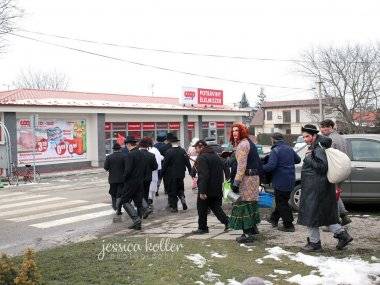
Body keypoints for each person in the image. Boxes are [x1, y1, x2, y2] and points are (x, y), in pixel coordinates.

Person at [298, 124, 353, 251]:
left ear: (314, 136)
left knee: (311, 215)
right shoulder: (317, 146)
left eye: (307, 136)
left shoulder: (318, 149)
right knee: (323, 214)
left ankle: (314, 243)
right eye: (304, 136)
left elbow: (322, 167)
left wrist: (307, 159)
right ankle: (342, 235)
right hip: (318, 187)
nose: (305, 139)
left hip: (316, 188)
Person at [228, 123, 263, 244]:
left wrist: (236, 182)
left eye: (237, 130)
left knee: (244, 205)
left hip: (246, 179)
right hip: (253, 177)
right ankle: (253, 229)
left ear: (242, 131)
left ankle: (247, 235)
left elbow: (241, 167)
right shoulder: (249, 142)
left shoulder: (243, 144)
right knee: (251, 204)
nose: (234, 133)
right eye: (233, 131)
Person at [263, 133, 301, 232]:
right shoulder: (289, 148)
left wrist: (261, 168)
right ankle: (273, 219)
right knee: (282, 201)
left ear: (273, 140)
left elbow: (271, 166)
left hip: (280, 181)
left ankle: (288, 225)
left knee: (282, 203)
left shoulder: (275, 151)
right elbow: (298, 160)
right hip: (290, 180)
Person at [191, 140, 229, 234]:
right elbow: (225, 168)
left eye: (196, 148)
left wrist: (202, 191)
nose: (195, 150)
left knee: (201, 208)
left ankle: (202, 228)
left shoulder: (202, 157)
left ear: (201, 147)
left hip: (206, 188)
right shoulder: (215, 156)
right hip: (216, 187)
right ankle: (228, 222)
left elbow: (204, 175)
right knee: (215, 207)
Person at [319, 119, 351, 226]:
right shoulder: (341, 137)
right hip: (342, 169)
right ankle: (344, 215)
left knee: (332, 196)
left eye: (325, 127)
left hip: (334, 170)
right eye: (322, 127)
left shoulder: (330, 140)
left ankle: (335, 222)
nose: (323, 130)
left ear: (332, 127)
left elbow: (328, 157)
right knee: (335, 193)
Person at [118, 136, 147, 230]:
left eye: (126, 144)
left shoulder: (130, 155)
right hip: (140, 181)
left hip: (131, 182)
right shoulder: (141, 153)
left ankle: (136, 220)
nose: (126, 146)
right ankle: (138, 224)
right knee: (138, 203)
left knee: (124, 201)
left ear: (129, 144)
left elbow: (128, 170)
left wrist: (123, 179)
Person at [161, 135, 192, 212]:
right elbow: (187, 162)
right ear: (177, 142)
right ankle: (182, 197)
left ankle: (174, 208)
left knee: (172, 190)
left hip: (171, 175)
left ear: (171, 142)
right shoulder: (182, 151)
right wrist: (191, 171)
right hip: (181, 173)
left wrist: (161, 174)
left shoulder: (169, 152)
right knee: (180, 187)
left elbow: (165, 164)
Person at [139, 137, 158, 219]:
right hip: (148, 178)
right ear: (147, 146)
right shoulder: (151, 155)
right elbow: (155, 167)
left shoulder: (136, 154)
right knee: (146, 194)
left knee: (139, 194)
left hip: (139, 178)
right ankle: (145, 209)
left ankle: (144, 209)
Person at [103, 142, 126, 212]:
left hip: (112, 179)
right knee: (120, 193)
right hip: (122, 179)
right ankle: (118, 207)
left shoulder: (109, 157)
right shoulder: (124, 156)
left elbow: (105, 168)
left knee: (113, 192)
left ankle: (114, 206)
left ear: (113, 149)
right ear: (120, 149)